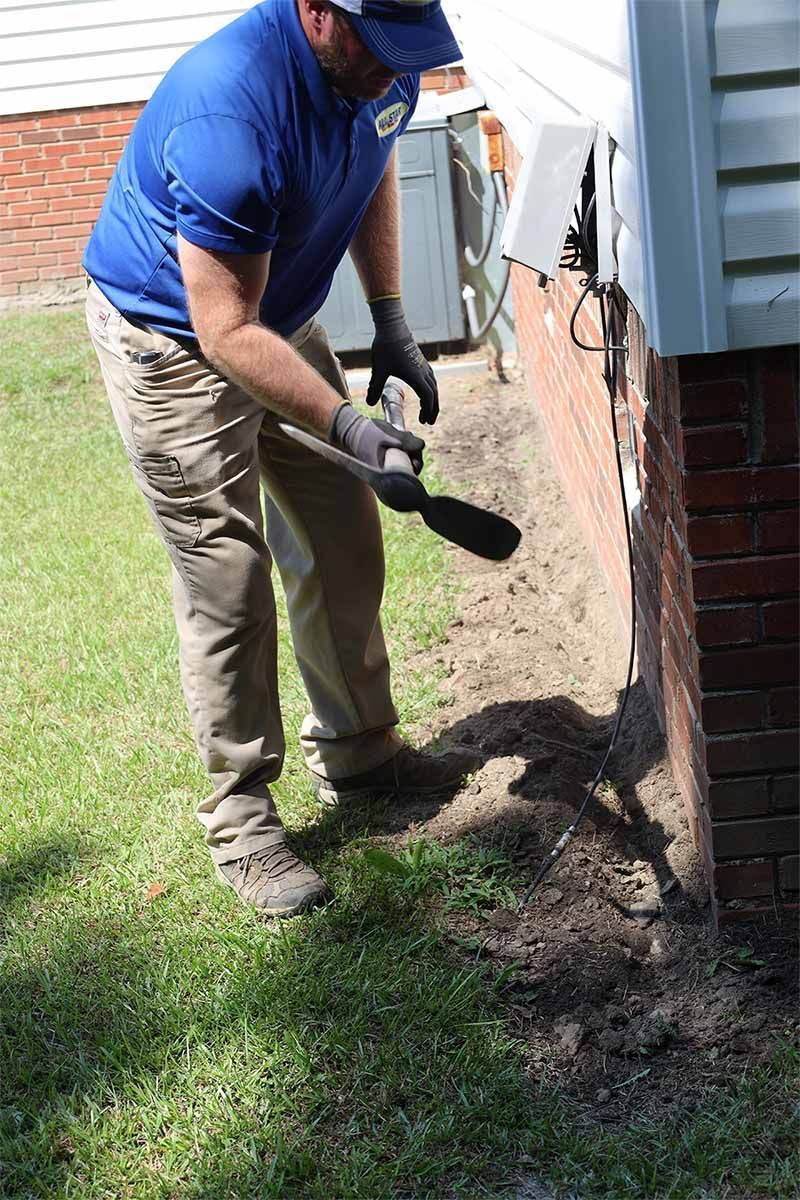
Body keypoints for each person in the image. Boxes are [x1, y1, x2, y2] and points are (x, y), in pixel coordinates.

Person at [82, 0, 478, 917]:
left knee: (343, 534)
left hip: (274, 320)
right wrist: (347, 425)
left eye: (407, 50)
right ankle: (244, 823)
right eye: (377, 47)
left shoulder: (386, 60)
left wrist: (389, 317)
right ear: (315, 11)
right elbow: (221, 328)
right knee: (227, 577)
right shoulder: (232, 114)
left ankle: (361, 753)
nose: (395, 68)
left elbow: (375, 160)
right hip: (172, 342)